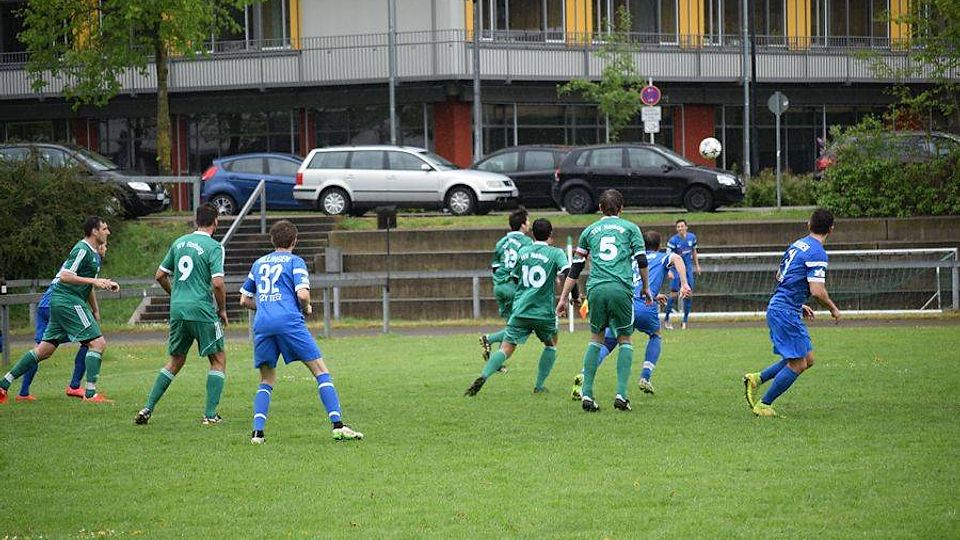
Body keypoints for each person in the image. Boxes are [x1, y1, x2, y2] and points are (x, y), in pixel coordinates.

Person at [239, 220, 363, 443]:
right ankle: (338, 426)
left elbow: (244, 300)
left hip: (262, 324)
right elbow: (303, 295)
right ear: (295, 241)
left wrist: (267, 306)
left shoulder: (259, 263)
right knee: (320, 370)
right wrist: (306, 308)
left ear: (272, 240)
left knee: (266, 379)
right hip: (289, 322)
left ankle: (257, 433)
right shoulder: (295, 262)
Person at [0, 216, 119, 404]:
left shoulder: (94, 254)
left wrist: (97, 303)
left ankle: (3, 384)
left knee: (44, 350)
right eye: (104, 229)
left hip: (62, 301)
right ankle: (90, 395)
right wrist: (95, 281)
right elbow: (65, 276)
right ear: (94, 231)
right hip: (67, 301)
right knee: (98, 343)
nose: (108, 232)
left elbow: (86, 285)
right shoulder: (82, 249)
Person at [557, 189, 651, 413]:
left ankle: (587, 394)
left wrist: (562, 298)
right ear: (621, 208)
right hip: (620, 287)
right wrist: (646, 287)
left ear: (600, 208)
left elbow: (575, 268)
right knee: (624, 339)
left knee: (596, 339)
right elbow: (641, 260)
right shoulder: (631, 228)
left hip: (596, 289)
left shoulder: (589, 231)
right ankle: (621, 395)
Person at [135, 203, 228, 425]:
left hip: (178, 309)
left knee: (175, 361)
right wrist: (222, 309)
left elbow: (160, 275)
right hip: (201, 310)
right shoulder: (215, 247)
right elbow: (217, 283)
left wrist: (175, 294)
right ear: (215, 221)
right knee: (218, 359)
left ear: (196, 220)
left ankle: (147, 408)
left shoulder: (179, 243)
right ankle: (210, 415)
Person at [743, 208, 841, 417]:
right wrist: (833, 308)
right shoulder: (817, 252)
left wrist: (797, 303)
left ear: (809, 224)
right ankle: (764, 404)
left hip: (785, 307)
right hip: (785, 311)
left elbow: (780, 275)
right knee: (798, 364)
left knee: (808, 359)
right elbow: (817, 291)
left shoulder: (798, 244)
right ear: (831, 229)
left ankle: (757, 378)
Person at [571, 231, 690, 399]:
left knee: (608, 341)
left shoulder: (633, 259)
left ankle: (584, 374)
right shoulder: (662, 257)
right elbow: (677, 258)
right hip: (645, 307)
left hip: (624, 305)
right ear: (659, 245)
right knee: (655, 335)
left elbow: (633, 282)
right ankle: (645, 377)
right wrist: (684, 284)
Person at [465, 218, 578, 396]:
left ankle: (484, 375)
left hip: (521, 309)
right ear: (550, 234)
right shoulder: (556, 253)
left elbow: (515, 277)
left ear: (533, 234)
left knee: (506, 348)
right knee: (550, 344)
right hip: (543, 312)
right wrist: (573, 296)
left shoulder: (523, 252)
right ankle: (539, 386)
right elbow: (569, 273)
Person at [17, 242, 109, 401]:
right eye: (105, 245)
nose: (105, 248)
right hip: (61, 305)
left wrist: (95, 309)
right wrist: (95, 310)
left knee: (40, 350)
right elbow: (87, 286)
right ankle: (75, 386)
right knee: (91, 341)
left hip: (45, 304)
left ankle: (22, 392)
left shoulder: (77, 258)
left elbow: (87, 287)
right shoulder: (91, 257)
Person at [479, 206, 532, 372]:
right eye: (528, 221)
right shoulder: (527, 242)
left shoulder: (501, 242)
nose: (529, 224)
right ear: (523, 225)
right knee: (525, 327)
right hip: (513, 287)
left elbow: (495, 267)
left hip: (499, 286)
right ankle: (489, 339)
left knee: (511, 326)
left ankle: (496, 363)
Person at [663, 219, 700, 330]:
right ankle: (666, 319)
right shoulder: (673, 241)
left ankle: (685, 321)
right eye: (678, 227)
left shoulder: (692, 237)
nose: (680, 228)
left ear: (686, 227)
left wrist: (697, 265)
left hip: (688, 270)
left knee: (688, 294)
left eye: (682, 226)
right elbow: (667, 256)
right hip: (676, 270)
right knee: (673, 295)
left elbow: (694, 251)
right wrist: (669, 270)